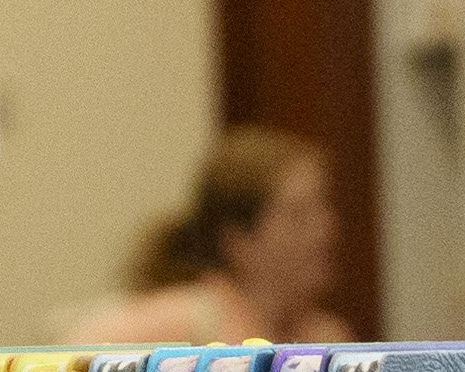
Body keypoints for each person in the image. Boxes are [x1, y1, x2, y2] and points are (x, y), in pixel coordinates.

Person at [69, 125, 352, 347]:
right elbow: (68, 370)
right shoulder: (190, 321)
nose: (326, 230)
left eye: (323, 207)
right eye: (298, 215)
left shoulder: (325, 337)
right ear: (238, 241)